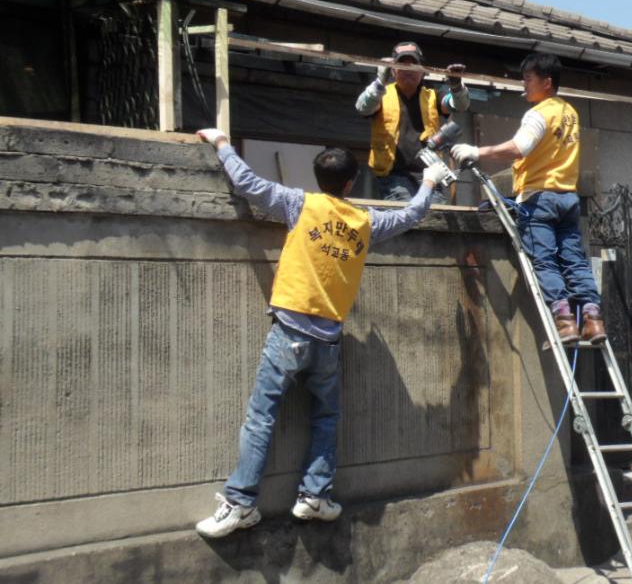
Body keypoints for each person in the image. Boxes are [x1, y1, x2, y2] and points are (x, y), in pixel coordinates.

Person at [193, 128, 451, 538]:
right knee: (326, 416)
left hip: (288, 332)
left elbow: (246, 184)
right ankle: (314, 496)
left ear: (318, 179)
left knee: (261, 418)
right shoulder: (365, 221)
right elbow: (411, 214)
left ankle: (241, 503)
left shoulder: (299, 203)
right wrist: (431, 182)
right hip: (328, 340)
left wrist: (222, 142)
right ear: (351, 184)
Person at [449, 52, 605, 344]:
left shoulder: (538, 114)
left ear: (546, 82)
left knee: (545, 262)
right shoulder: (569, 112)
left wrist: (477, 151)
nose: (524, 83)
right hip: (567, 198)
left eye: (528, 78)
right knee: (574, 261)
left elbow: (519, 148)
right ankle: (593, 320)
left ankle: (565, 322)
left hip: (539, 199)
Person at [355, 41, 469, 203]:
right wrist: (380, 81)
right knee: (405, 217)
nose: (408, 69)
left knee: (435, 218)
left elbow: (458, 105)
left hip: (431, 174)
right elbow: (363, 108)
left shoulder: (433, 96)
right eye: (403, 63)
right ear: (393, 70)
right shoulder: (381, 95)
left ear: (422, 70)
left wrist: (456, 86)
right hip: (394, 176)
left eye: (413, 64)